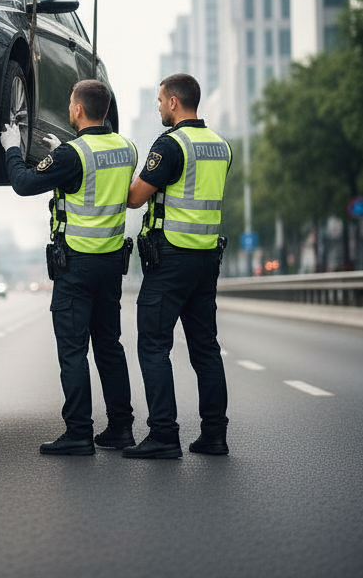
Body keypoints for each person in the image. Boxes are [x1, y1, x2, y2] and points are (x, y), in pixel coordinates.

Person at [0, 78, 137, 455]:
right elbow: (99, 179)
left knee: (73, 351)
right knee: (109, 348)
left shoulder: (72, 155)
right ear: (105, 110)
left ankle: (79, 433)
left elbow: (25, 184)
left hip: (76, 265)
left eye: (71, 104)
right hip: (111, 264)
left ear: (77, 109)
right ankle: (121, 429)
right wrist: (65, 154)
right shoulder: (128, 148)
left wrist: (13, 149)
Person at [122, 73, 232, 460]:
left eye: (159, 101)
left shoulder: (171, 145)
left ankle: (164, 435)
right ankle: (214, 436)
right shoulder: (221, 146)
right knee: (206, 349)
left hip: (171, 261)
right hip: (206, 260)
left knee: (153, 345)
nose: (158, 108)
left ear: (173, 102)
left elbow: (136, 198)